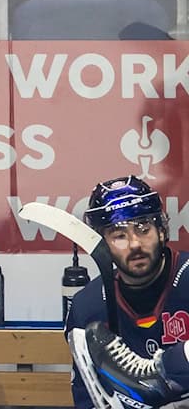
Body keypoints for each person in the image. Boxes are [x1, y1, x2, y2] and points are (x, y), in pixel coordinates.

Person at [65, 175, 189, 409]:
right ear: (102, 244)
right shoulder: (88, 306)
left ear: (162, 231)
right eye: (119, 235)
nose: (134, 244)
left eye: (143, 229)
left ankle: (158, 374)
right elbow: (88, 396)